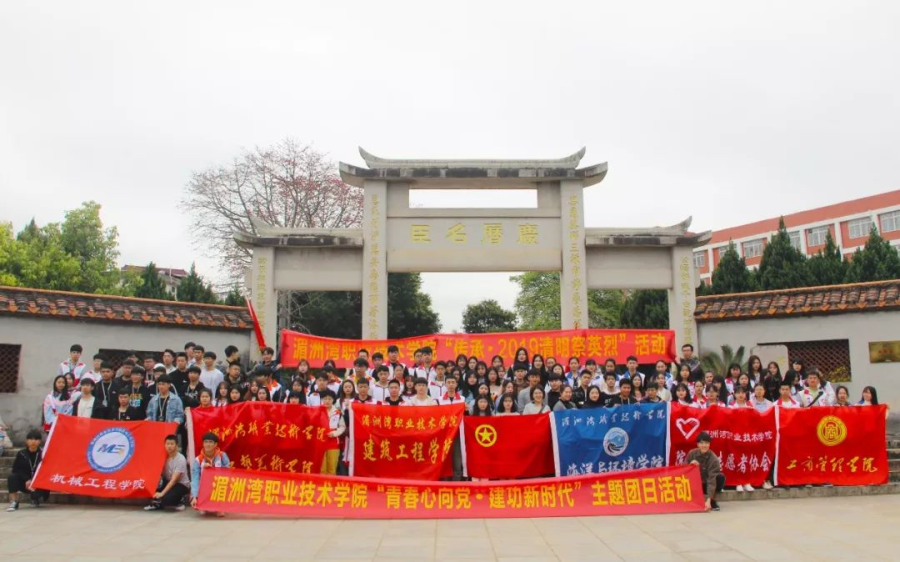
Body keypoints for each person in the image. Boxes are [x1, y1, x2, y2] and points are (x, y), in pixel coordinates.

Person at [6, 430, 49, 511]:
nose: (33, 441)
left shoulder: (43, 454)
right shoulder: (21, 454)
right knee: (12, 477)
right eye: (31, 439)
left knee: (37, 495)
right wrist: (27, 479)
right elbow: (16, 469)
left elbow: (46, 471)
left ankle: (36, 499)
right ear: (27, 441)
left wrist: (34, 481)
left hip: (38, 482)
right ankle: (13, 501)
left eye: (36, 439)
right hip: (25, 482)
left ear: (39, 441)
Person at [190, 432, 229, 516]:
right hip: (204, 486)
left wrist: (213, 470)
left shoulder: (222, 456)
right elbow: (195, 479)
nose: (208, 444)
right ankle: (203, 503)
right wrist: (194, 496)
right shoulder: (198, 460)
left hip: (219, 485)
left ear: (215, 444)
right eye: (206, 442)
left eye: (210, 442)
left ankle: (221, 506)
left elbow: (227, 473)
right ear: (203, 444)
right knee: (200, 508)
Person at [687, 431, 724, 512]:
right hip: (695, 483)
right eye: (701, 443)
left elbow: (712, 480)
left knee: (720, 478)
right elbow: (684, 471)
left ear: (709, 444)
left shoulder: (713, 458)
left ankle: (712, 501)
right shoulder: (691, 454)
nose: (704, 445)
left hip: (707, 483)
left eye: (706, 443)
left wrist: (708, 499)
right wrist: (690, 465)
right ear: (697, 444)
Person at [321, 390, 345, 474]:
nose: (327, 401)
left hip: (333, 442)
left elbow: (342, 426)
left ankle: (330, 482)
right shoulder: (318, 411)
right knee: (322, 468)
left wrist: (335, 433)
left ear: (333, 400)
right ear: (322, 399)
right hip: (321, 442)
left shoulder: (338, 412)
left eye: (329, 399)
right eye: (325, 399)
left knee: (332, 467)